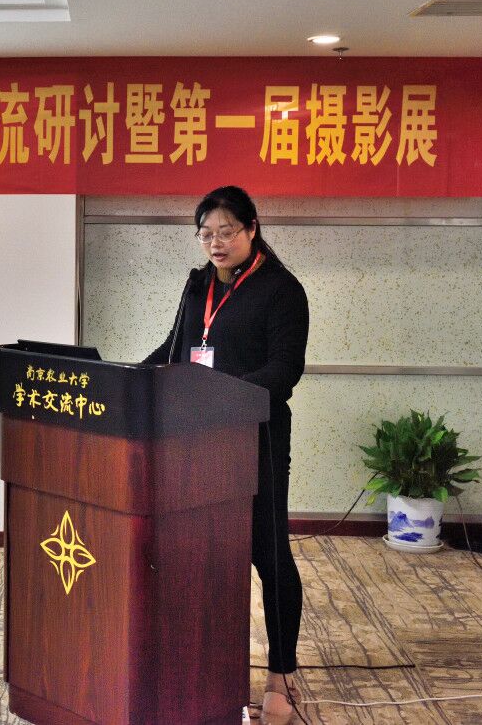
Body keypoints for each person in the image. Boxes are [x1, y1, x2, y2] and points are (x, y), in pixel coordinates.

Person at [142, 185, 308, 724]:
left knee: (268, 553)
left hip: (256, 439)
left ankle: (281, 675)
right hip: (193, 443)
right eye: (206, 233)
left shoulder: (282, 290)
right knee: (199, 553)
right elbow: (174, 349)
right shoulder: (198, 286)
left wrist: (222, 399)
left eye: (227, 231)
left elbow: (285, 371)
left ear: (252, 229)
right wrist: (129, 377)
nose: (216, 242)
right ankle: (202, 666)